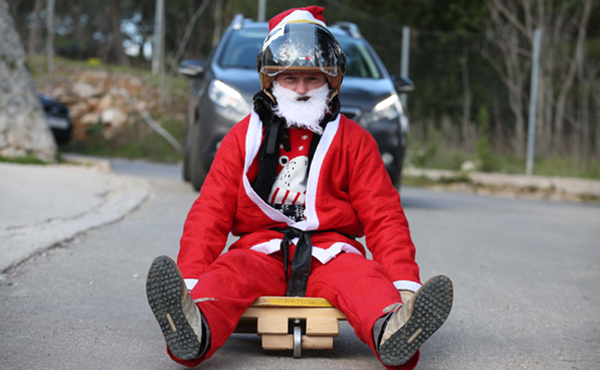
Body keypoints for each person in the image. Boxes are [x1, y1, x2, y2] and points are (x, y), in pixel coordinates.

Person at [146, 6, 453, 370]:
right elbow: (210, 210)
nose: (303, 89)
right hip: (261, 251)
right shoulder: (242, 138)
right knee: (227, 275)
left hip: (331, 253)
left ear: (331, 81)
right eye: (290, 78)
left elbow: (384, 216)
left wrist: (404, 283)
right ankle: (192, 328)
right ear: (271, 80)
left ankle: (394, 331)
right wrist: (191, 277)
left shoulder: (355, 141)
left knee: (365, 279)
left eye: (313, 79)